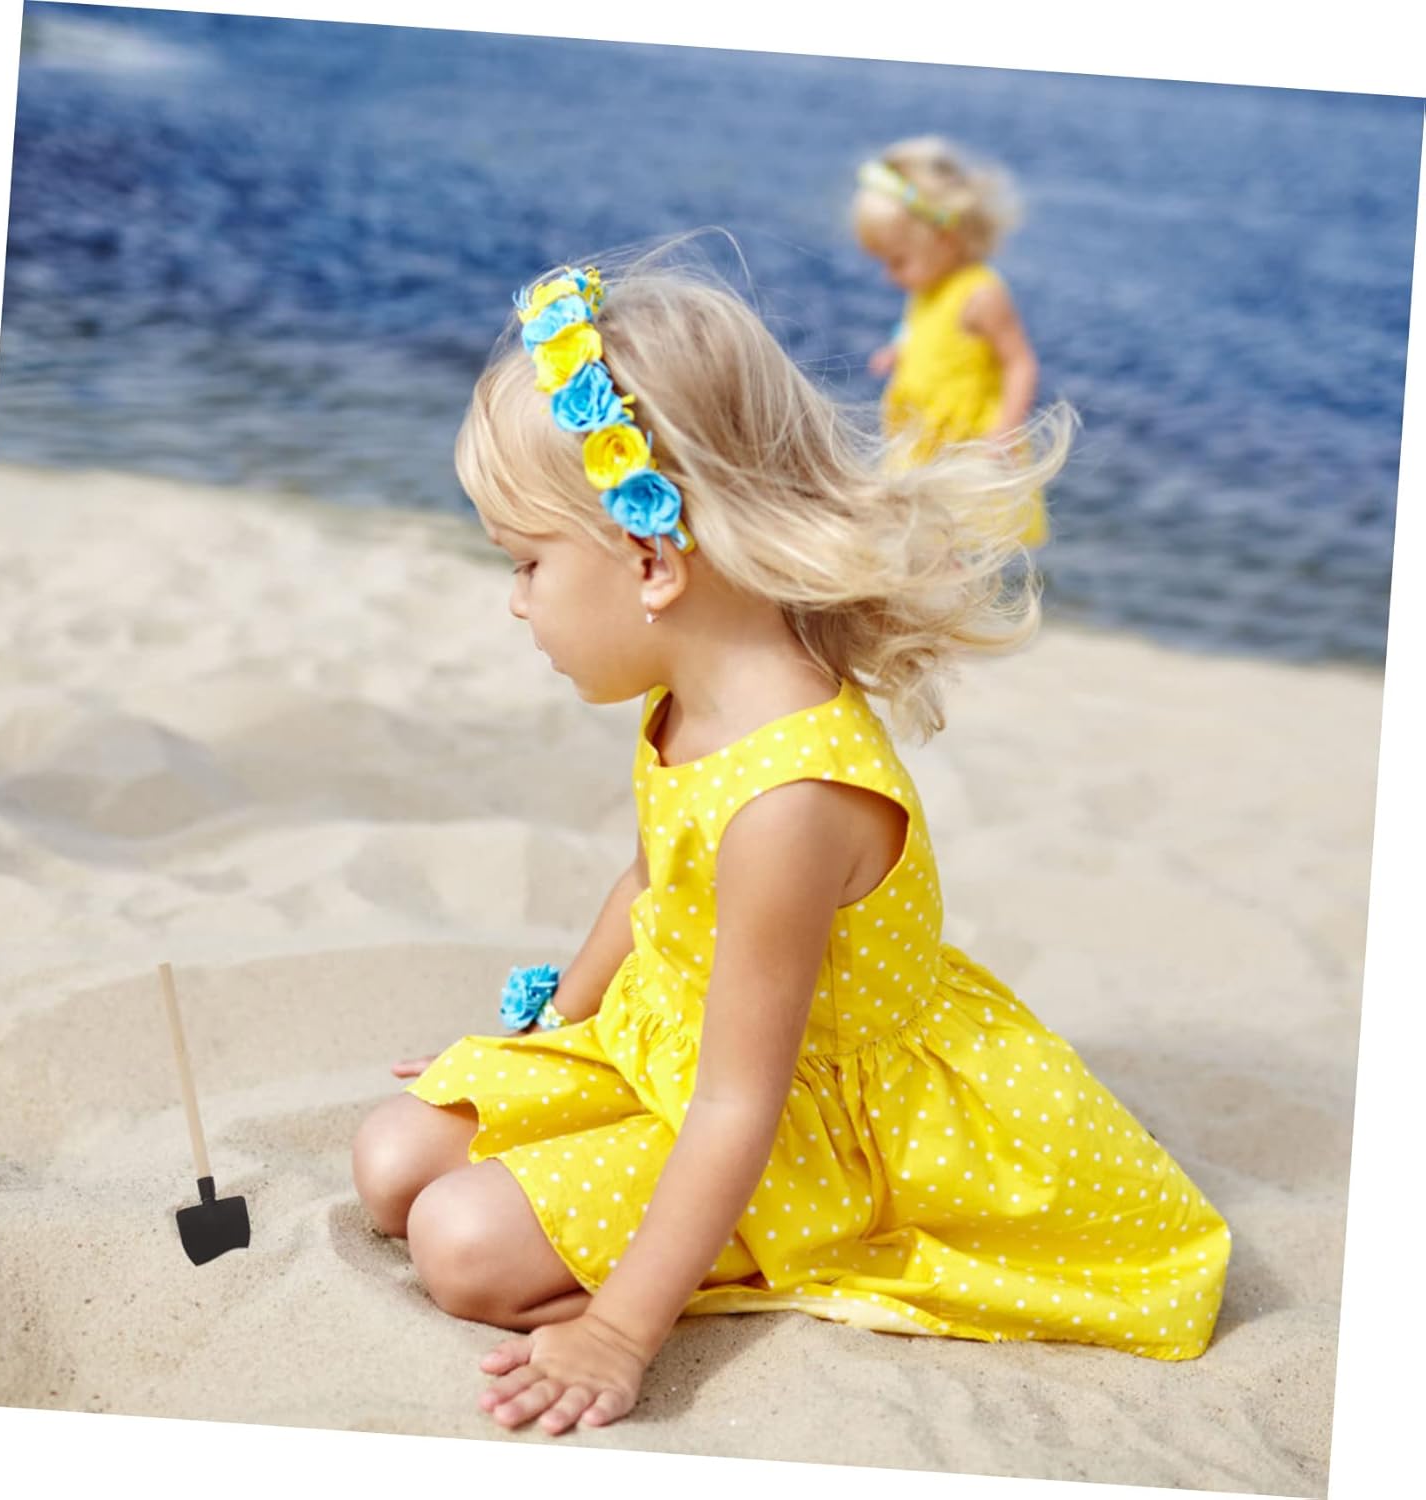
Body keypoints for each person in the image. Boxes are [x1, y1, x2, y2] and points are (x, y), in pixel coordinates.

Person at [351, 249, 1229, 1436]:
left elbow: (737, 1108)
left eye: (527, 564)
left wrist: (619, 1334)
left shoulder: (789, 801)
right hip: (677, 1040)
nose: (516, 601)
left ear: (651, 560)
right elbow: (652, 877)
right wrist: (550, 1033)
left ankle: (705, 1267)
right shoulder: (688, 699)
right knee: (393, 1160)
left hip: (795, 1122)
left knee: (460, 1244)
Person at [855, 136, 1048, 547]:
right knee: (916, 541)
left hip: (969, 450)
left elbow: (1020, 364)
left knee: (966, 545)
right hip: (923, 443)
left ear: (943, 239)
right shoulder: (927, 286)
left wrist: (1005, 432)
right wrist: (897, 350)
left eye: (897, 261)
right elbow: (919, 328)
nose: (889, 276)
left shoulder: (980, 295)